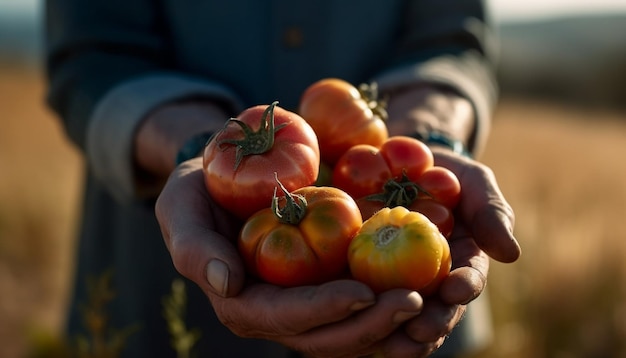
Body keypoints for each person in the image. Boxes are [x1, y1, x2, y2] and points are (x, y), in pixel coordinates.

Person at [45, 0, 521, 357]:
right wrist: (197, 149)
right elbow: (91, 57)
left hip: (416, 311)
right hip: (155, 289)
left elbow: (455, 44)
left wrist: (429, 134)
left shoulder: (384, 183)